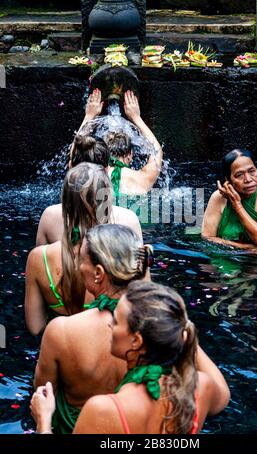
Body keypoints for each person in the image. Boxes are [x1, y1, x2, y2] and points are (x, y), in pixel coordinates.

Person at [31, 281, 230, 435]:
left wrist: (44, 421)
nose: (110, 325)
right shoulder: (201, 387)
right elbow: (223, 396)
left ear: (136, 341)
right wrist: (182, 332)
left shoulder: (104, 410)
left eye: (116, 321)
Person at [31, 224, 152, 434]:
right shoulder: (161, 327)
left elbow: (42, 393)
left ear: (98, 273)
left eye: (82, 259)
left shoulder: (60, 331)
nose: (78, 266)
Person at [26, 163, 141, 336]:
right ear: (107, 204)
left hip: (62, 349)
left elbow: (35, 327)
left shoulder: (38, 257)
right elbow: (140, 315)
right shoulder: (123, 256)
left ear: (65, 205)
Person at [36, 132, 142, 246]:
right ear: (106, 170)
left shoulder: (49, 217)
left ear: (71, 166)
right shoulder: (129, 220)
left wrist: (88, 118)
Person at [79, 89, 163, 196]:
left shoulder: (88, 178)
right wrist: (136, 117)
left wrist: (89, 116)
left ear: (102, 153)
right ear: (130, 155)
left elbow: (74, 155)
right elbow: (157, 152)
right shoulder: (142, 179)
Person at [202, 149, 257, 248]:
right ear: (228, 179)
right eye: (239, 175)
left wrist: (237, 205)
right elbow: (207, 238)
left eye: (252, 171)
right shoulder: (218, 197)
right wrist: (246, 248)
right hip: (226, 257)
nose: (248, 179)